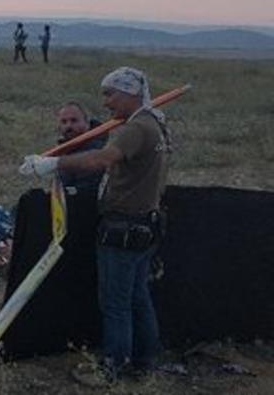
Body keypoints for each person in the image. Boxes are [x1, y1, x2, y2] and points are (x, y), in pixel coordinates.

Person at [19, 67, 172, 387]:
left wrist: (53, 163)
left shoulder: (136, 129)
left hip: (124, 229)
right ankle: (144, 361)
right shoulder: (155, 123)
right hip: (146, 225)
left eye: (110, 94)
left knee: (116, 303)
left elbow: (100, 160)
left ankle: (113, 367)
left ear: (130, 93)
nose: (106, 103)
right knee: (137, 296)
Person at [54, 101, 106, 196]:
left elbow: (84, 193)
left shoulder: (95, 151)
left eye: (74, 120)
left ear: (87, 123)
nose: (68, 126)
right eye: (64, 122)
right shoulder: (64, 150)